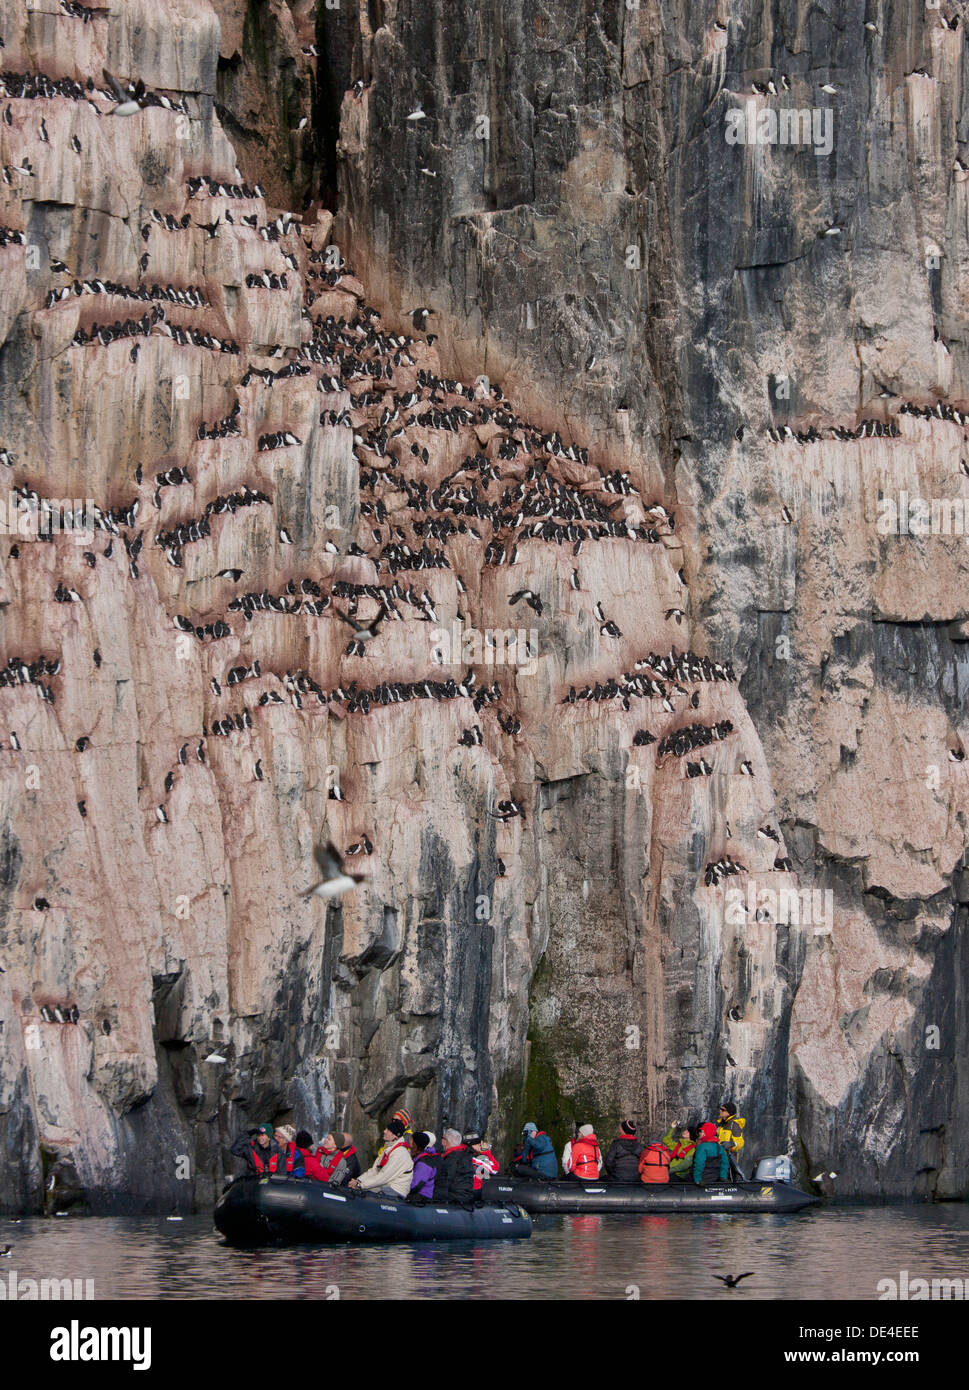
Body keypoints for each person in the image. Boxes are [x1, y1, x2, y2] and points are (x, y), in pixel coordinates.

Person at [349, 1119, 413, 1198]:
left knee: (364, 1193)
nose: (384, 1131)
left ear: (395, 1136)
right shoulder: (389, 1148)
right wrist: (358, 1180)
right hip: (385, 1185)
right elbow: (374, 1170)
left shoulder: (400, 1153)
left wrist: (360, 1185)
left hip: (396, 1190)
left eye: (388, 1130)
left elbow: (384, 1177)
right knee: (359, 1189)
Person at [435, 1128, 475, 1208]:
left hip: (455, 1194)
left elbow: (446, 1180)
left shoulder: (452, 1158)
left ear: (444, 1142)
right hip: (466, 1193)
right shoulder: (465, 1155)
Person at [407, 1131, 440, 1203]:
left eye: (411, 1140)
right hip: (415, 1195)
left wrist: (403, 1187)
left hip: (421, 1196)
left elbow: (416, 1185)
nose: (409, 1142)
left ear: (415, 1144)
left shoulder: (424, 1163)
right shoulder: (417, 1158)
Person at [693, 1121, 730, 1186]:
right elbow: (725, 1162)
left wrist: (697, 1179)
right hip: (716, 1178)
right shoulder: (719, 1146)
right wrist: (723, 1176)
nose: (700, 1133)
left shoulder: (702, 1147)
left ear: (705, 1133)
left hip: (703, 1179)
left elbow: (699, 1164)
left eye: (702, 1131)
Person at [717, 1103, 746, 1174]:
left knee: (728, 1177)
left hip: (729, 1158)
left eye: (723, 1110)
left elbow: (740, 1142)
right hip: (719, 1156)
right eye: (720, 1109)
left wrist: (731, 1145)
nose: (720, 1111)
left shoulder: (734, 1125)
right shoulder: (721, 1124)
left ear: (729, 1112)